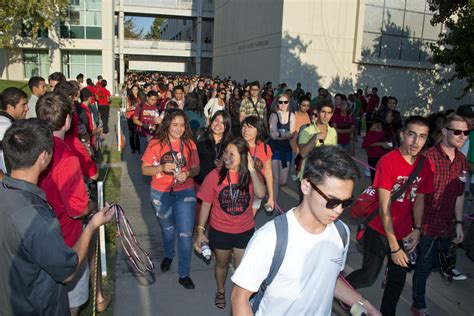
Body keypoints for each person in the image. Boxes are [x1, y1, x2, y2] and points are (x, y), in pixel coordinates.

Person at [231, 146, 380, 315]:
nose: (339, 210)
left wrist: (368, 307)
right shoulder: (270, 238)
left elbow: (327, 279)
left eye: (346, 202)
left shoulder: (341, 233)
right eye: (332, 201)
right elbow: (239, 297)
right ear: (306, 186)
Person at [0, 118, 113, 316]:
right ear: (44, 156)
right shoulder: (35, 216)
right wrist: (92, 225)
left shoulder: (7, 193)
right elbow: (67, 271)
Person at [345, 116, 434, 316]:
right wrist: (394, 248)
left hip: (404, 232)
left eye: (422, 137)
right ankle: (340, 291)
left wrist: (417, 230)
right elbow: (384, 207)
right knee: (368, 277)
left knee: (397, 279)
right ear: (402, 134)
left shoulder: (424, 165)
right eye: (411, 135)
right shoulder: (389, 161)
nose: (416, 142)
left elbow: (420, 199)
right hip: (378, 229)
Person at [195, 137, 266, 309]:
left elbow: (261, 193)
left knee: (242, 270)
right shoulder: (215, 175)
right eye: (225, 152)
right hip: (220, 230)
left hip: (244, 231)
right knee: (222, 263)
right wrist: (200, 231)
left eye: (231, 154)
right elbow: (206, 203)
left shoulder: (249, 175)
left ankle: (238, 298)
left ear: (243, 157)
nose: (226, 156)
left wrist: (251, 170)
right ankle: (220, 290)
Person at [411, 114, 469, 315]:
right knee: (424, 267)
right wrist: (416, 227)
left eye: (466, 133)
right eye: (458, 132)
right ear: (444, 132)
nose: (463, 136)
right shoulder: (428, 158)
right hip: (427, 222)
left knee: (438, 263)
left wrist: (460, 223)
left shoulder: (462, 160)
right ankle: (418, 304)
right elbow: (416, 196)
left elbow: (460, 194)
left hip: (448, 223)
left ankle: (410, 261)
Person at [141, 109, 200, 289]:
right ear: (167, 124)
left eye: (182, 125)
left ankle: (184, 274)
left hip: (185, 192)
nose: (179, 129)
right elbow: (145, 169)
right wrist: (161, 168)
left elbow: (197, 168)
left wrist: (187, 173)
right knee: (167, 229)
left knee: (185, 234)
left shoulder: (189, 144)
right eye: (175, 125)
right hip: (160, 193)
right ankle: (168, 254)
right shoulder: (156, 144)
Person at [241, 116, 274, 212]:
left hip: (257, 189)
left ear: (258, 131)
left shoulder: (265, 148)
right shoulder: (236, 145)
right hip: (239, 190)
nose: (246, 130)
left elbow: (268, 173)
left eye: (250, 127)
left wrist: (271, 197)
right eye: (244, 126)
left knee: (249, 219)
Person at [298, 100, 337, 180]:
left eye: (329, 113)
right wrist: (315, 138)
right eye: (323, 112)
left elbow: (333, 154)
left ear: (332, 114)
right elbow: (303, 154)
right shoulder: (307, 130)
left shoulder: (333, 131)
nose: (326, 116)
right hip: (310, 176)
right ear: (318, 113)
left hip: (326, 176)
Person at [267, 94, 295, 205]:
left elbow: (292, 134)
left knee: (283, 180)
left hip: (286, 148)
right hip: (274, 147)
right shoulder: (274, 115)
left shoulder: (292, 115)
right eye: (280, 102)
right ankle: (273, 203)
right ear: (277, 103)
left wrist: (279, 133)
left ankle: (267, 183)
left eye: (285, 102)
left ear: (289, 103)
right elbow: (273, 136)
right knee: (276, 179)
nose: (283, 104)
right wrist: (285, 134)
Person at [362, 109, 394, 182]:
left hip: (386, 156)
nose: (392, 117)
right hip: (374, 157)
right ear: (384, 116)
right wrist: (381, 144)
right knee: (375, 179)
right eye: (391, 116)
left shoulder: (388, 125)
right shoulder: (375, 126)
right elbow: (366, 143)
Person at [126, 85, 142, 153]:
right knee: (131, 134)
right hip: (130, 117)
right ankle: (133, 148)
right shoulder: (128, 98)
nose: (135, 91)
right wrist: (131, 108)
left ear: (138, 90)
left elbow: (141, 108)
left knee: (137, 133)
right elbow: (126, 109)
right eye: (133, 89)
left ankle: (138, 148)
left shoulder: (139, 98)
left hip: (138, 117)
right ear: (131, 90)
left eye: (136, 89)